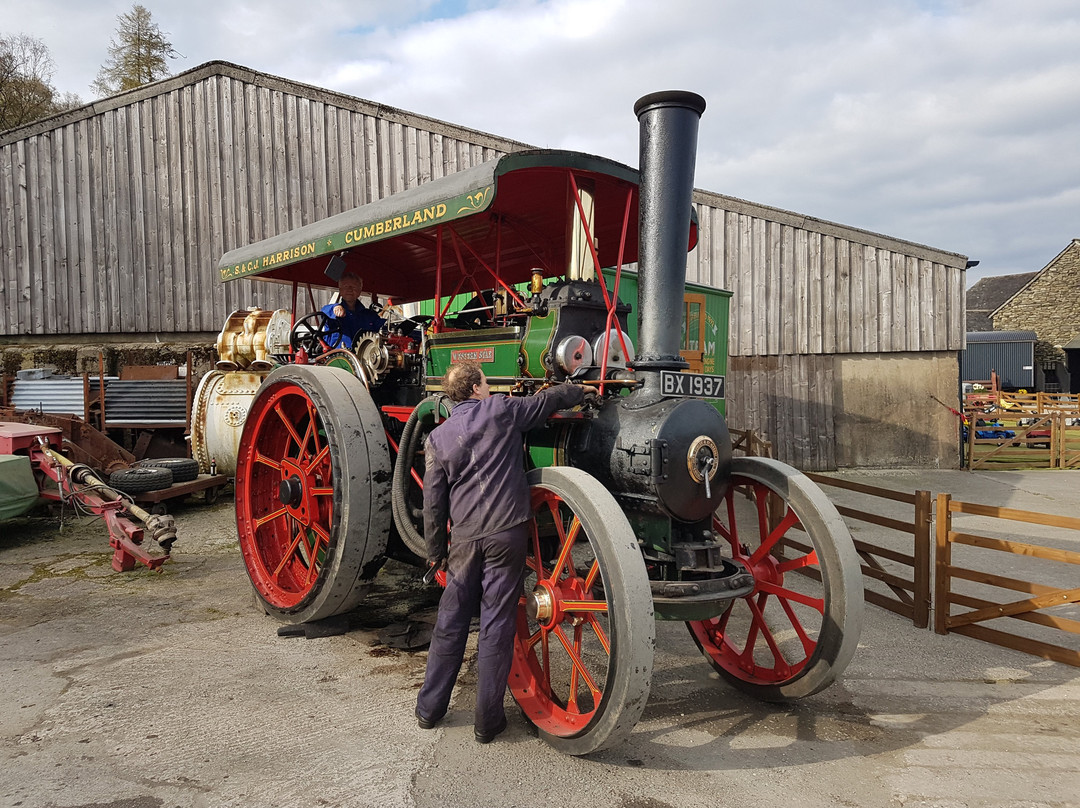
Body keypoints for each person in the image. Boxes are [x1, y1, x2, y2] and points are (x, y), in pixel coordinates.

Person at [415, 362, 586, 744]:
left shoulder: (438, 439)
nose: (489, 388)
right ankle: (486, 723)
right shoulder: (501, 411)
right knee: (496, 624)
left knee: (450, 622)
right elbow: (547, 401)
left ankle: (429, 710)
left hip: (463, 539)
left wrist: (435, 553)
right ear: (476, 388)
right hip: (506, 533)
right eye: (487, 383)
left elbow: (433, 504)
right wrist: (580, 390)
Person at [320, 272, 384, 349]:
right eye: (346, 286)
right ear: (340, 290)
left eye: (354, 287)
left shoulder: (370, 316)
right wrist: (335, 307)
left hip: (365, 357)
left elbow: (384, 329)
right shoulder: (333, 313)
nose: (350, 290)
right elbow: (323, 312)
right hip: (338, 358)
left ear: (360, 291)